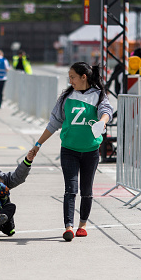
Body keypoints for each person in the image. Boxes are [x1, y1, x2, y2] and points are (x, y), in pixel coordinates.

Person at [30, 62, 113, 242]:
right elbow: (54, 122)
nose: (70, 81)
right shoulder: (66, 97)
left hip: (91, 151)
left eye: (73, 77)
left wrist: (102, 122)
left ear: (84, 77)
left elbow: (106, 110)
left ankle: (82, 225)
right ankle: (68, 226)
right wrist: (38, 144)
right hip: (69, 150)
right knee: (70, 189)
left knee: (87, 190)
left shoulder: (98, 96)